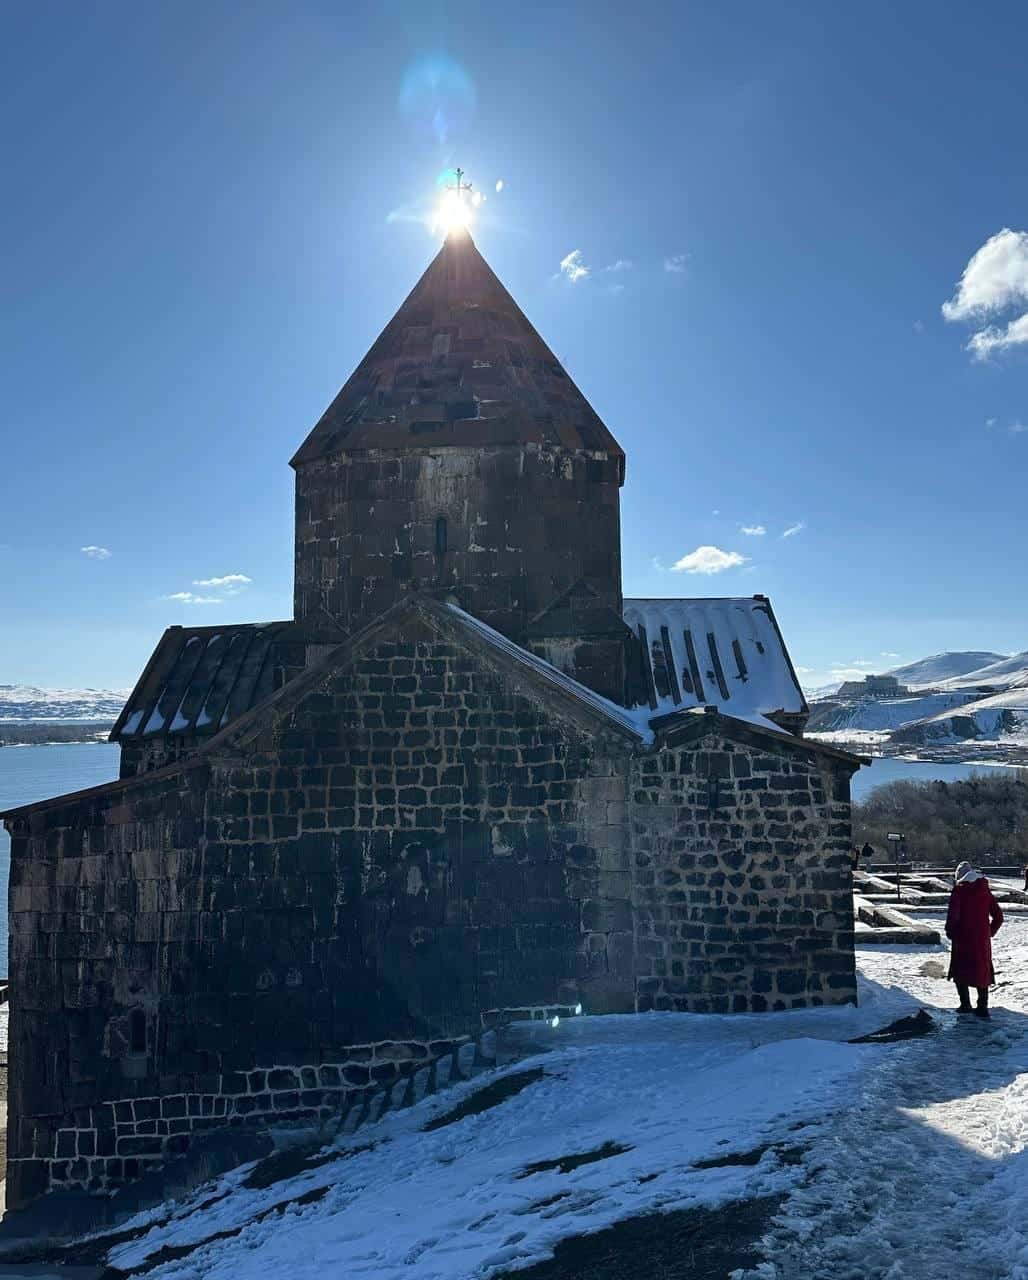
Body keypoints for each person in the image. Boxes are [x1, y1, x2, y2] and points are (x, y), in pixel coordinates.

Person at [945, 861, 1004, 1018]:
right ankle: (982, 1007)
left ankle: (965, 1005)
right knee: (981, 971)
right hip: (981, 941)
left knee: (960, 971)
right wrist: (989, 932)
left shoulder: (959, 891)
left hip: (963, 939)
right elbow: (998, 916)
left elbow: (953, 916)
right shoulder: (985, 891)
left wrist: (951, 932)